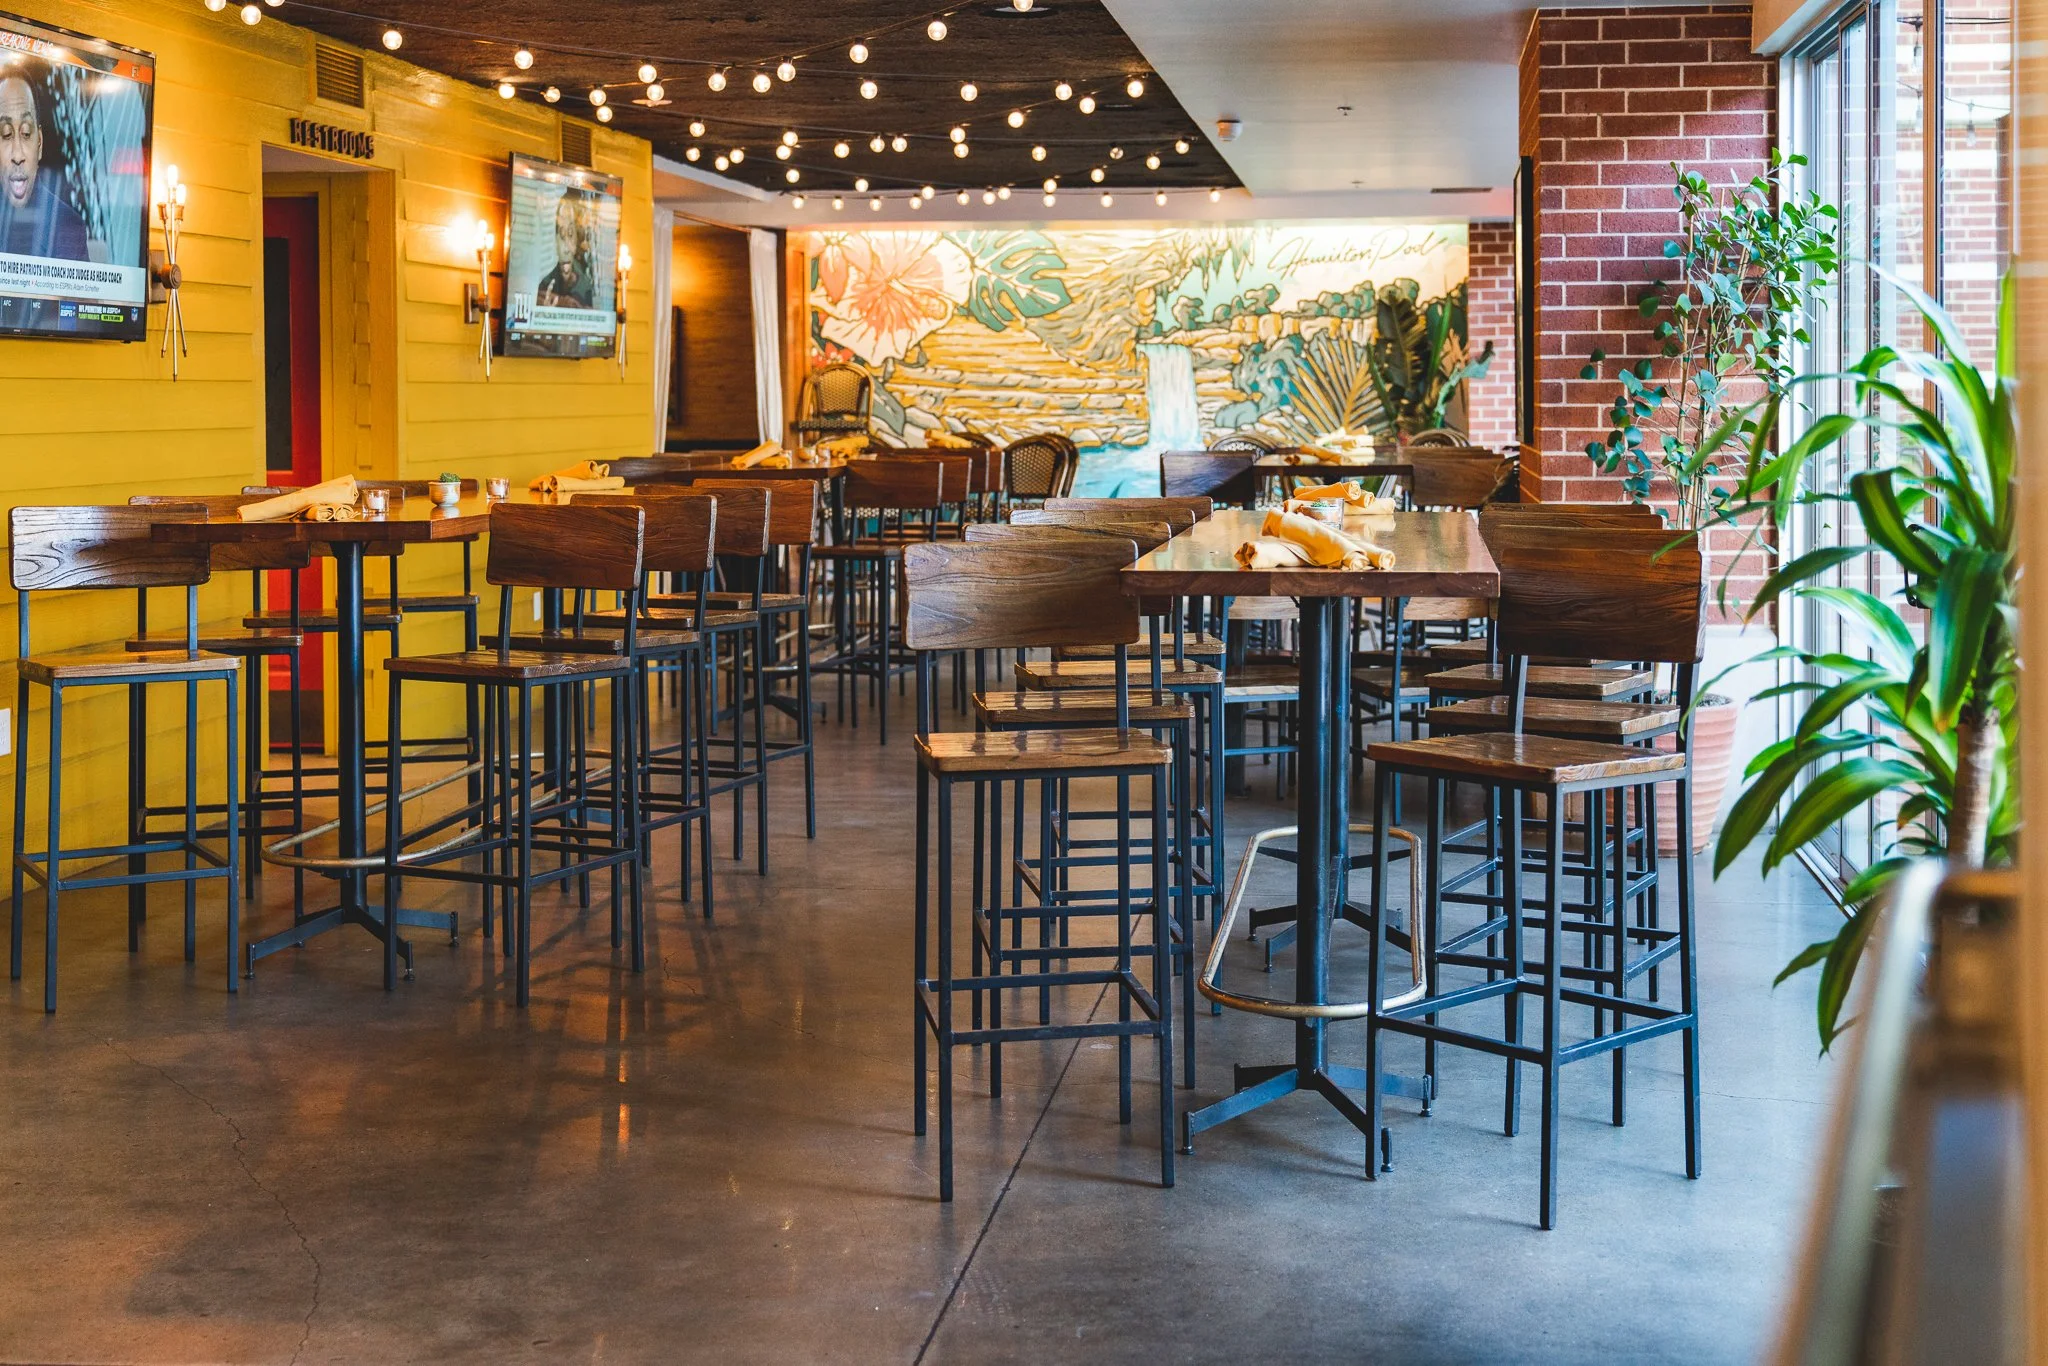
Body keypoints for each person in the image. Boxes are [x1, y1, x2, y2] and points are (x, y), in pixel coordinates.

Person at [0, 64, 89, 263]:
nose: (18, 154)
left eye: (26, 133)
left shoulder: (69, 228)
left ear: (39, 143)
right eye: (6, 134)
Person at [535, 189, 595, 309]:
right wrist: (558, 301)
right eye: (561, 235)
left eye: (571, 234)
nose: (567, 245)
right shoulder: (544, 281)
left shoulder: (587, 283)